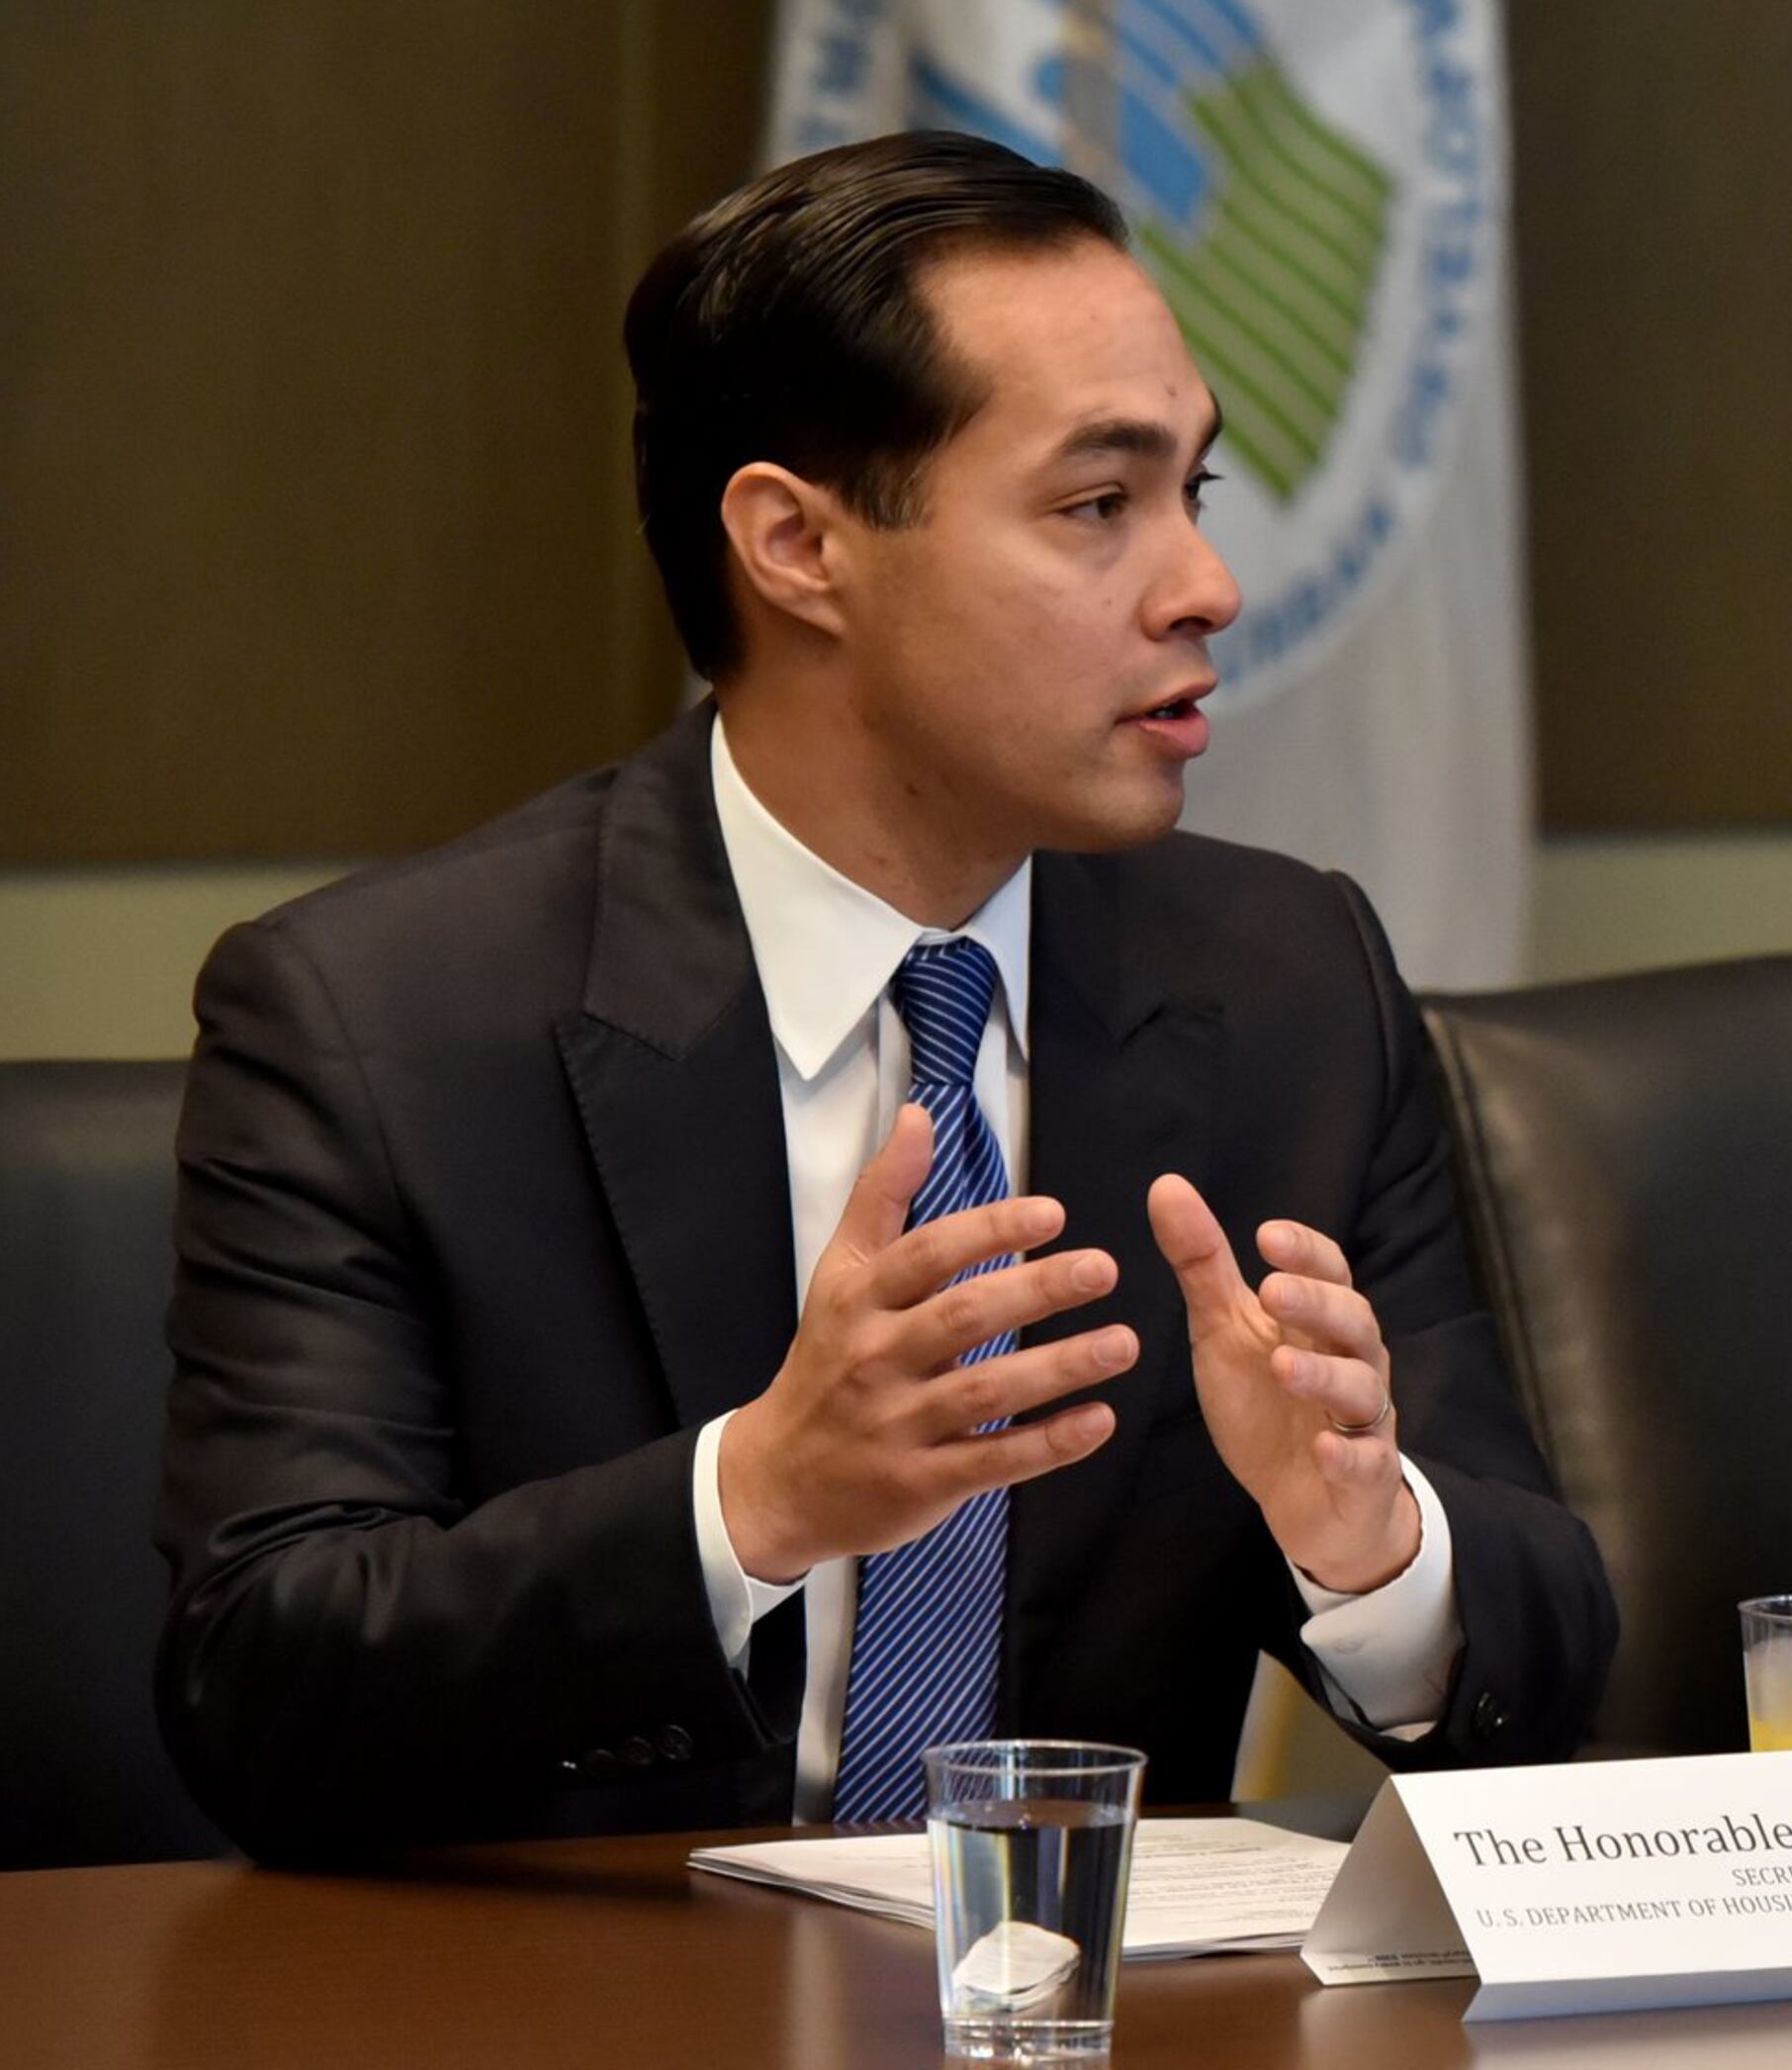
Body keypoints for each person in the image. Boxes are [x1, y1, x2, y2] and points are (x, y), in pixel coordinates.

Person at [154, 133, 1615, 1858]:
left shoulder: (1292, 983)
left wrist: (1373, 1544)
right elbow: (259, 1683)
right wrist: (753, 1502)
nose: (1206, 585)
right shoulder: (374, 1021)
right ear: (796, 546)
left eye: (1191, 494)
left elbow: (1544, 1653)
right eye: (1096, 506)